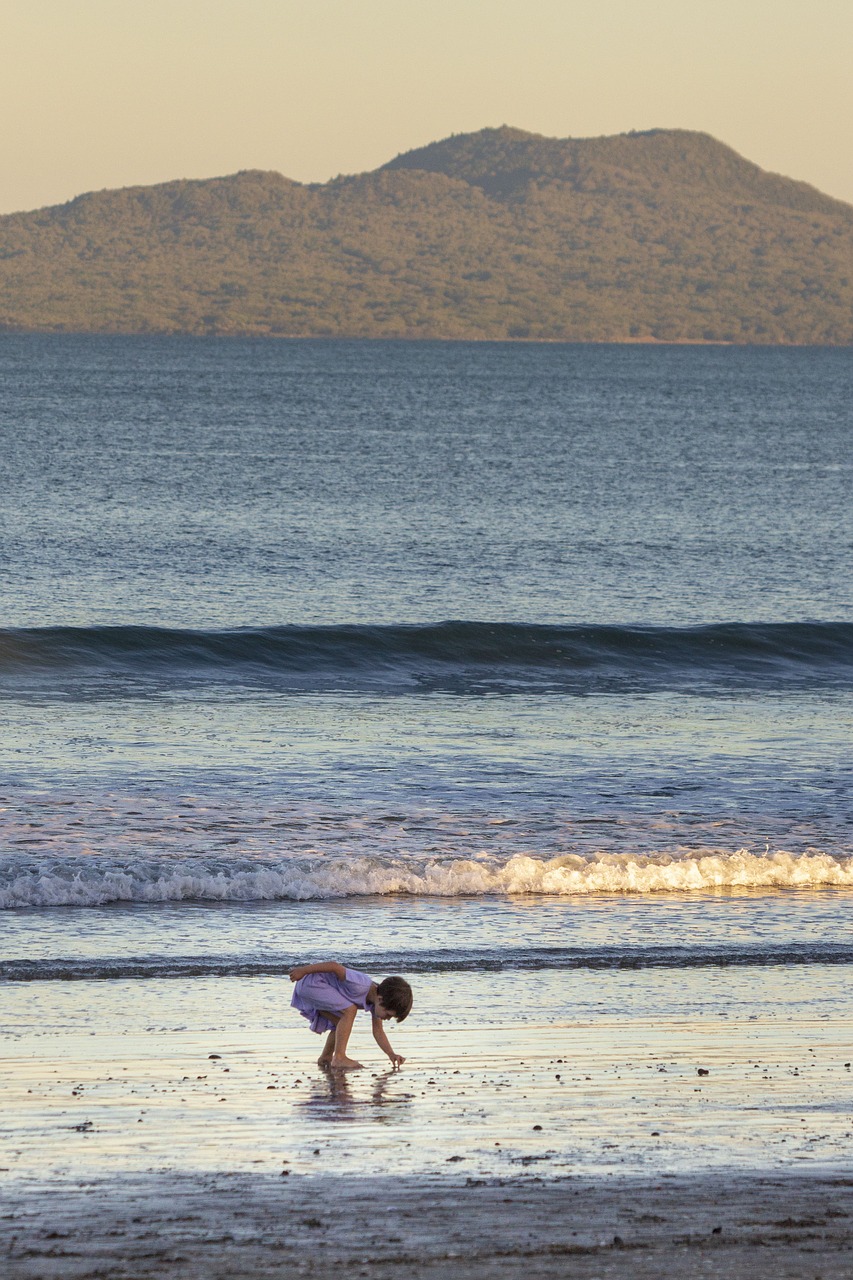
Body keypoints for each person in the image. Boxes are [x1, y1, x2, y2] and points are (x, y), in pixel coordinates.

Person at [289, 961, 412, 1071]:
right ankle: (339, 1057)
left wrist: (391, 1054)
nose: (387, 1018)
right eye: (388, 1015)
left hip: (314, 987)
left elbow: (378, 1032)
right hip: (311, 983)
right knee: (350, 1010)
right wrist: (303, 970)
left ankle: (326, 1057)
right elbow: (334, 966)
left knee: (341, 1023)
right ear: (380, 999)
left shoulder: (375, 1003)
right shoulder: (361, 985)